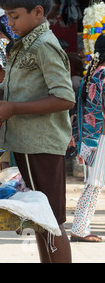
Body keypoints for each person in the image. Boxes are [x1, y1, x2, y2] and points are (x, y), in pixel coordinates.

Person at [0, 0, 75, 263]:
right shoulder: (23, 43)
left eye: (14, 16)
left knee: (51, 222)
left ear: (38, 13)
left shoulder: (44, 45)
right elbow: (18, 84)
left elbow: (65, 97)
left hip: (41, 144)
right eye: (7, 16)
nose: (10, 22)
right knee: (41, 221)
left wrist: (13, 108)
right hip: (29, 143)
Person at [70, 34, 105, 242]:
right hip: (99, 139)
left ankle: (81, 227)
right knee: (94, 185)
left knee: (94, 184)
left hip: (89, 139)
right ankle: (79, 228)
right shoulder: (103, 76)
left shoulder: (92, 75)